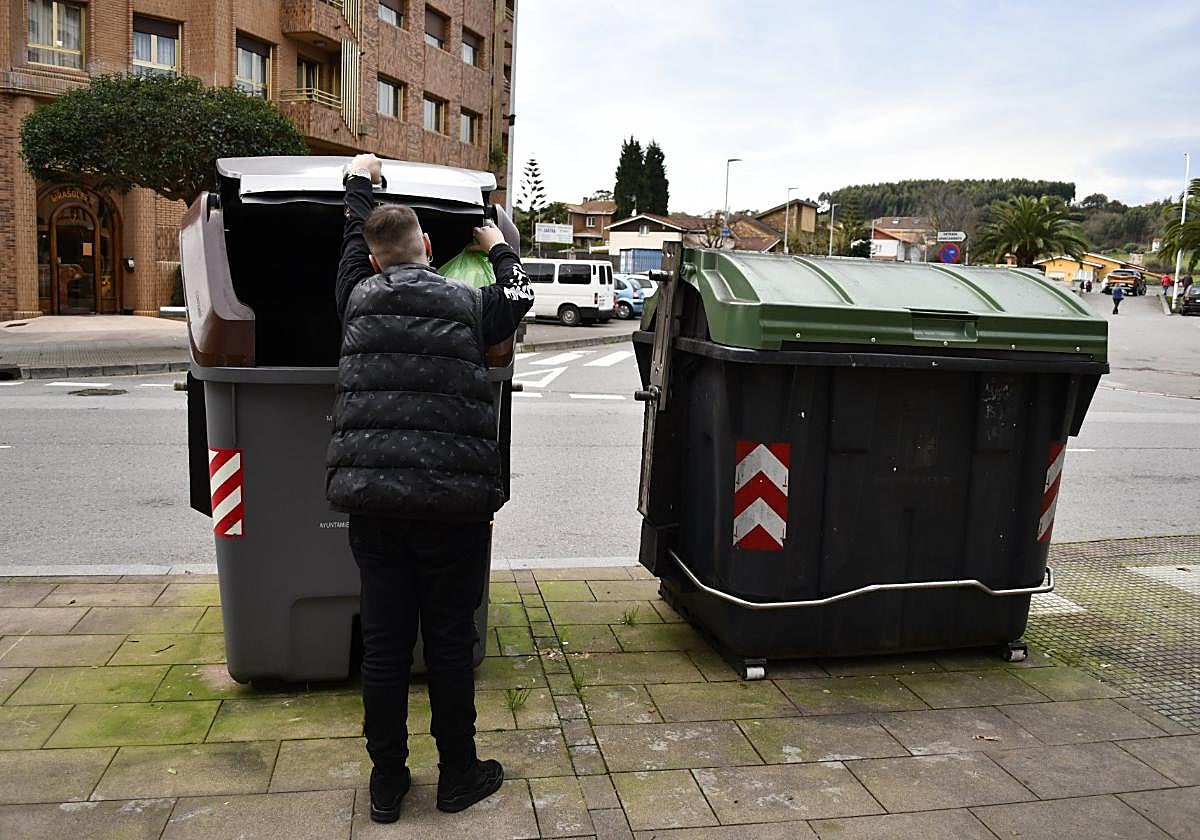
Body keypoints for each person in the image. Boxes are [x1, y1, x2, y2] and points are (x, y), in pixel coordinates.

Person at [327, 153, 534, 824]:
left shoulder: (356, 296)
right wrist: (497, 246)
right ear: (428, 245)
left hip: (376, 503)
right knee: (448, 641)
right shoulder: (469, 304)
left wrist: (359, 184)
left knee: (385, 648)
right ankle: (458, 776)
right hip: (454, 508)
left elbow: (354, 236)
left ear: (374, 260)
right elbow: (521, 296)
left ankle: (387, 783)